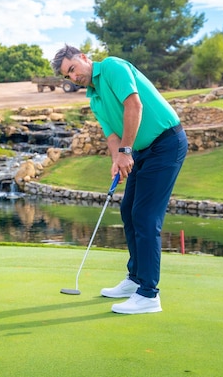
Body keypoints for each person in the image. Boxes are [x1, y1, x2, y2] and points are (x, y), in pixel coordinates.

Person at [51, 45, 188, 314]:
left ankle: (149, 294)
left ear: (83, 58)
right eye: (67, 76)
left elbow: (133, 104)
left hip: (166, 143)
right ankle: (135, 279)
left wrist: (126, 152)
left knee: (146, 216)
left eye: (72, 69)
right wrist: (118, 159)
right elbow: (112, 136)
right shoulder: (95, 99)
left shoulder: (113, 67)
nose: (73, 77)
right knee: (128, 210)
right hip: (140, 150)